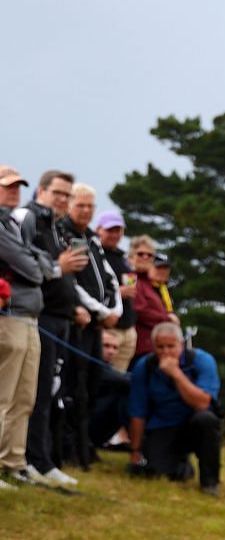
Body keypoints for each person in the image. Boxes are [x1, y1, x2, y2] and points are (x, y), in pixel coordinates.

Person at [13, 170, 90, 489]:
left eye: (67, 195)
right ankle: (30, 460)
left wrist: (76, 306)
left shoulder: (55, 226)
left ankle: (40, 459)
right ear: (41, 191)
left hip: (61, 319)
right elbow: (26, 266)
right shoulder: (28, 218)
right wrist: (59, 267)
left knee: (48, 392)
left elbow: (60, 275)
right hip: (37, 316)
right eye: (58, 193)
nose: (63, 199)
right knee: (34, 393)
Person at [61, 184, 120, 470]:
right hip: (80, 323)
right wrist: (98, 310)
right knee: (75, 385)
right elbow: (73, 280)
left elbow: (109, 277)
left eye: (89, 206)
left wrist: (113, 310)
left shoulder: (91, 238)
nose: (85, 211)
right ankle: (70, 447)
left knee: (94, 383)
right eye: (80, 205)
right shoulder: (67, 234)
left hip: (98, 323)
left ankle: (86, 445)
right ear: (70, 205)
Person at [126, 321, 221, 495]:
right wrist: (135, 450)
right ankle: (181, 464)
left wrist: (177, 375)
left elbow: (202, 403)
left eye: (171, 346)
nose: (166, 352)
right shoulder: (145, 366)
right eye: (160, 347)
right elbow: (138, 411)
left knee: (207, 420)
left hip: (193, 423)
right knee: (155, 473)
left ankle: (210, 483)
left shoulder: (202, 361)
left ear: (181, 345)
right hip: (163, 424)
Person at [93, 211, 136, 371]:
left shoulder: (122, 257)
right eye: (110, 230)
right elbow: (91, 285)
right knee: (102, 375)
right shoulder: (94, 253)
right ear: (99, 229)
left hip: (128, 326)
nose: (115, 234)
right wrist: (118, 292)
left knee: (119, 378)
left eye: (118, 230)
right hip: (109, 325)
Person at [126, 236, 171, 360]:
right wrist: (168, 319)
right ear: (131, 258)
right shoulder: (130, 278)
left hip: (154, 345)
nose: (145, 257)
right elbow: (138, 310)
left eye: (150, 255)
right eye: (141, 254)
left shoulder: (152, 284)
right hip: (140, 347)